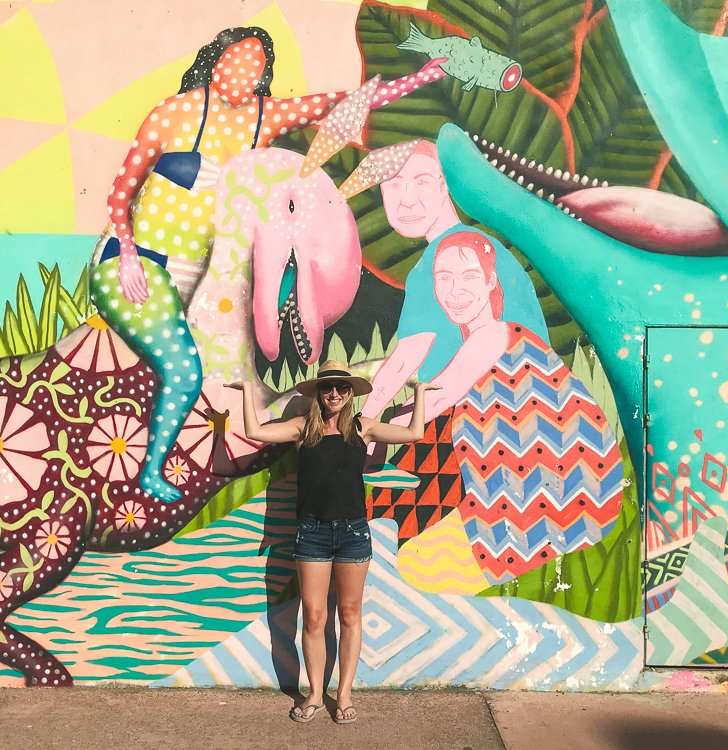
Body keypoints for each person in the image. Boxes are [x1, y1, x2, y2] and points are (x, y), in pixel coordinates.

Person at [92, 27, 447, 502]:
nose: (243, 71)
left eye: (255, 65)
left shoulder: (264, 118)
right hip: (139, 265)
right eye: (235, 60)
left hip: (200, 276)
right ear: (214, 62)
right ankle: (150, 471)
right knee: (181, 370)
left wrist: (421, 79)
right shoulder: (174, 114)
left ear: (263, 76)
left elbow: (342, 104)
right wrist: (129, 255)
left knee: (220, 370)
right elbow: (122, 191)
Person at [226, 361, 437, 724]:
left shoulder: (362, 428)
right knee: (313, 616)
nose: (334, 393)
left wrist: (418, 395)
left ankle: (343, 695)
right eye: (328, 388)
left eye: (342, 387)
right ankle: (313, 693)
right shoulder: (301, 429)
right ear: (319, 392)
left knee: (350, 614)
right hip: (312, 533)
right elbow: (256, 431)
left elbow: (414, 433)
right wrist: (247, 393)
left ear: (351, 393)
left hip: (353, 533)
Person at [414, 231, 623, 582]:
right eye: (444, 278)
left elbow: (433, 400)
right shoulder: (495, 337)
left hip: (546, 510)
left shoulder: (492, 336)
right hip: (536, 510)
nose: (455, 290)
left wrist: (369, 423)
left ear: (490, 280)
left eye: (468, 276)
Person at [361, 140, 549, 420]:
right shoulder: (476, 246)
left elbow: (405, 360)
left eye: (422, 181)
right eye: (395, 184)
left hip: (500, 412)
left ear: (444, 184)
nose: (407, 199)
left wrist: (362, 424)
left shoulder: (448, 257)